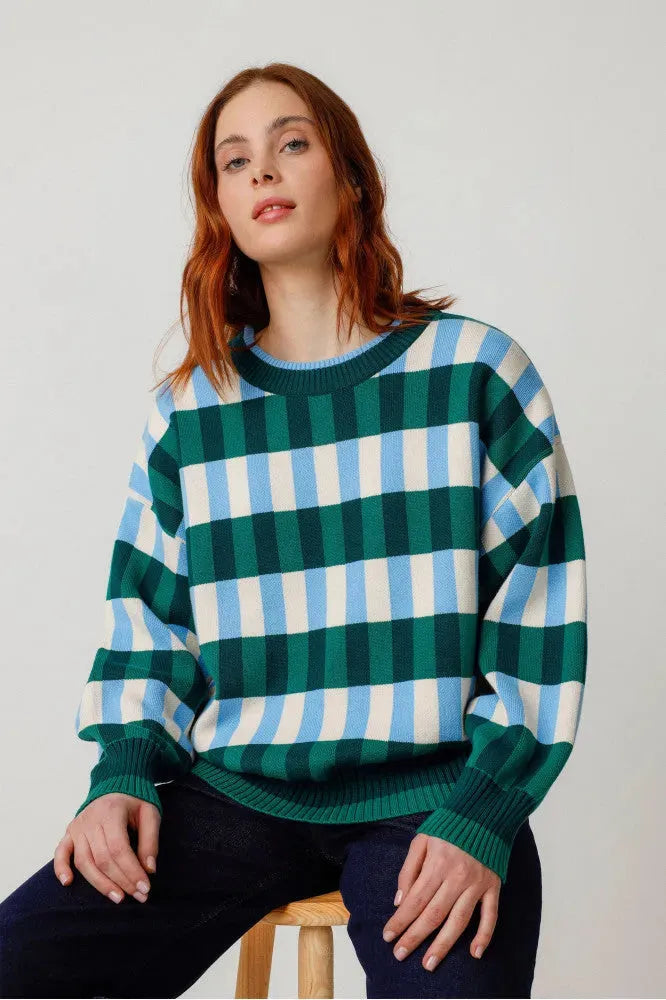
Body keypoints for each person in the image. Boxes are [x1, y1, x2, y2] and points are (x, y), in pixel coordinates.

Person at [0, 62, 587, 999]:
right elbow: (150, 624)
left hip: (431, 799)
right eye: (235, 161)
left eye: (292, 144)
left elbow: (538, 615)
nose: (263, 172)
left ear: (350, 176)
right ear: (221, 207)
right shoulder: (191, 412)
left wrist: (485, 810)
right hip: (237, 797)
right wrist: (121, 773)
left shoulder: (474, 372)